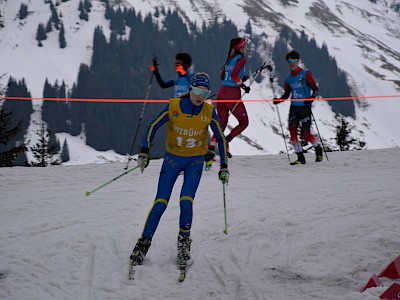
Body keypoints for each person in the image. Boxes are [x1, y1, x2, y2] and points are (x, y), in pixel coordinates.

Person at [130, 72, 229, 267]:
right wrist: (144, 152)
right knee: (161, 202)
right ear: (191, 89)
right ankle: (143, 242)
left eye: (205, 91)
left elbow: (221, 138)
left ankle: (184, 242)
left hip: (194, 162)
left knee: (186, 201)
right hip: (172, 160)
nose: (200, 95)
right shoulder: (175, 105)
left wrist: (224, 166)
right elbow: (153, 126)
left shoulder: (208, 111)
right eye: (198, 90)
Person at [206, 37, 250, 169]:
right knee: (244, 122)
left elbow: (223, 76)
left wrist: (241, 78)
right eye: (245, 45)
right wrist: (243, 86)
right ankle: (227, 140)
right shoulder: (242, 59)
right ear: (241, 47)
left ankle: (210, 151)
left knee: (221, 124)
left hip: (222, 93)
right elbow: (234, 76)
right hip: (232, 94)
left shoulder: (230, 58)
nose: (246, 47)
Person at [273, 49, 323, 165]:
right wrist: (278, 100)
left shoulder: (305, 74)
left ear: (298, 61)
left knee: (305, 134)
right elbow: (286, 95)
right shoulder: (288, 78)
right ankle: (300, 157)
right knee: (292, 132)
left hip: (305, 108)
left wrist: (311, 99)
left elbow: (315, 89)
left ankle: (318, 148)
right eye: (289, 61)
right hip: (294, 108)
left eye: (294, 60)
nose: (291, 63)